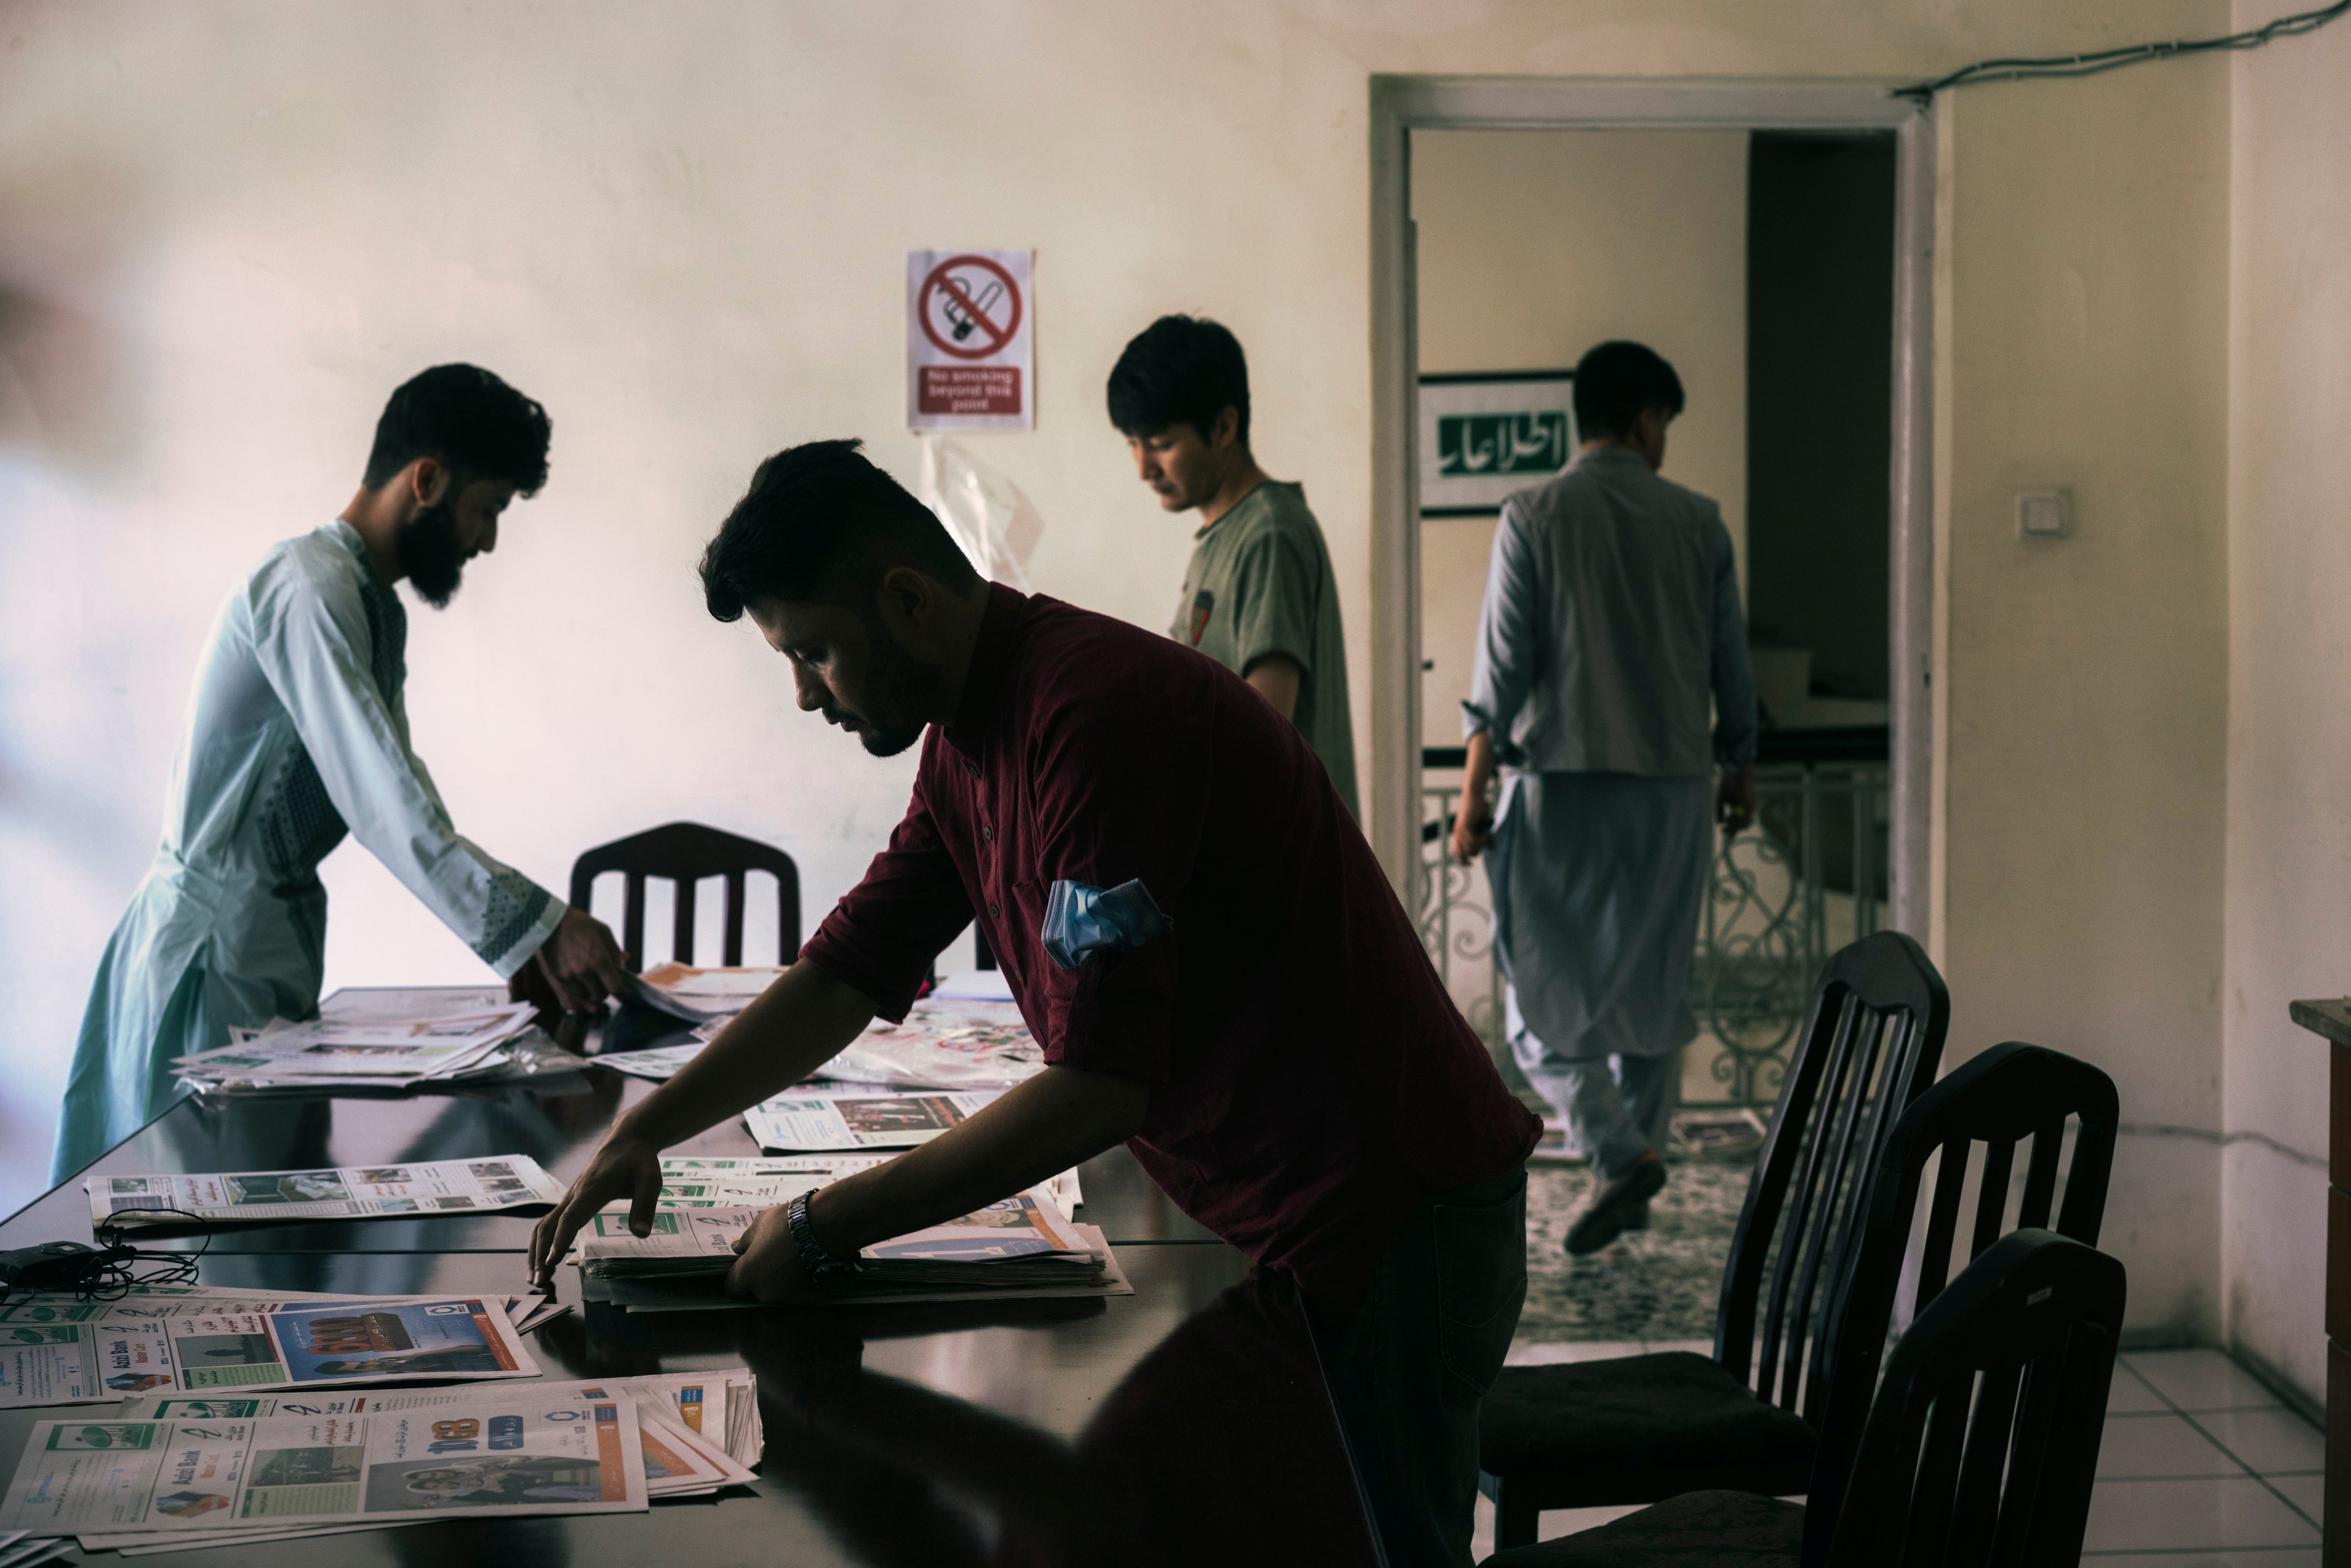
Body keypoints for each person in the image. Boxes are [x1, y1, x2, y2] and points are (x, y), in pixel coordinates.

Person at [531, 439, 1538, 1567]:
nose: (804, 693)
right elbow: (846, 970)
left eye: (812, 652)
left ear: (906, 600)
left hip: (1394, 1213)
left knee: (1364, 1547)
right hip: (1285, 1214)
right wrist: (647, 1127)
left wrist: (826, 1226)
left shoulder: (1089, 719)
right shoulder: (971, 733)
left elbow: (1097, 1089)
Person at [54, 365, 629, 1180]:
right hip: (208, 961)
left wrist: (523, 943)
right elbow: (385, 803)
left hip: (262, 952)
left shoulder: (366, 600)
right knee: (195, 1248)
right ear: (427, 480)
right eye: (489, 508)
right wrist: (541, 924)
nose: (489, 541)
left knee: (263, 1233)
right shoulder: (309, 587)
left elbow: (400, 790)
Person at [1452, 340, 1758, 1257]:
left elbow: (1500, 672)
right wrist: (1738, 766)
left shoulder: (1532, 513)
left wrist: (1474, 793)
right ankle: (1632, 1161)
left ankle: (1617, 1154)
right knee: (1650, 995)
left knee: (1540, 1007)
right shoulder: (1698, 522)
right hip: (1670, 794)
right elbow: (1729, 667)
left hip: (1561, 795)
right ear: (1645, 419)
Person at [1107, 315, 1358, 817]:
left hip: (1285, 875)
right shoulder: (1222, 538)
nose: (1143, 468)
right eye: (1133, 443)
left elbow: (1260, 740)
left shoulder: (1269, 532)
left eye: (1159, 444)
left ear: (1223, 427)